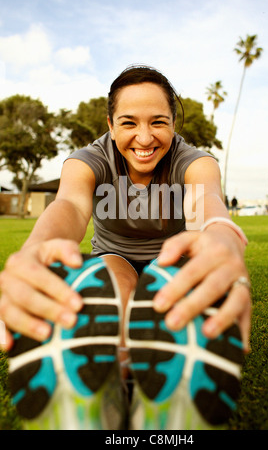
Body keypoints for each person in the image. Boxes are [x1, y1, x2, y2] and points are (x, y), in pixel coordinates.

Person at [0, 65, 251, 430]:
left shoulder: (193, 160)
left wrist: (223, 240)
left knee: (166, 297)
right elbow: (69, 205)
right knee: (118, 291)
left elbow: (206, 201)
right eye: (129, 122)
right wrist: (34, 251)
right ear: (111, 124)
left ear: (174, 125)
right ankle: (110, 385)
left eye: (159, 122)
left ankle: (160, 401)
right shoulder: (89, 159)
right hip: (114, 256)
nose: (145, 138)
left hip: (171, 259)